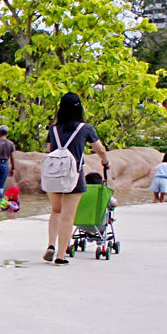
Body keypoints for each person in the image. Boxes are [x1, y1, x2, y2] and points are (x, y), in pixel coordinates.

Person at [42, 92, 110, 265]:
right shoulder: (85, 129)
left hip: (54, 174)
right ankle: (60, 256)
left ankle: (51, 245)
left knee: (56, 210)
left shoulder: (53, 129)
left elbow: (50, 150)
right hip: (74, 176)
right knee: (68, 215)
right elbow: (100, 150)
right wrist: (105, 161)